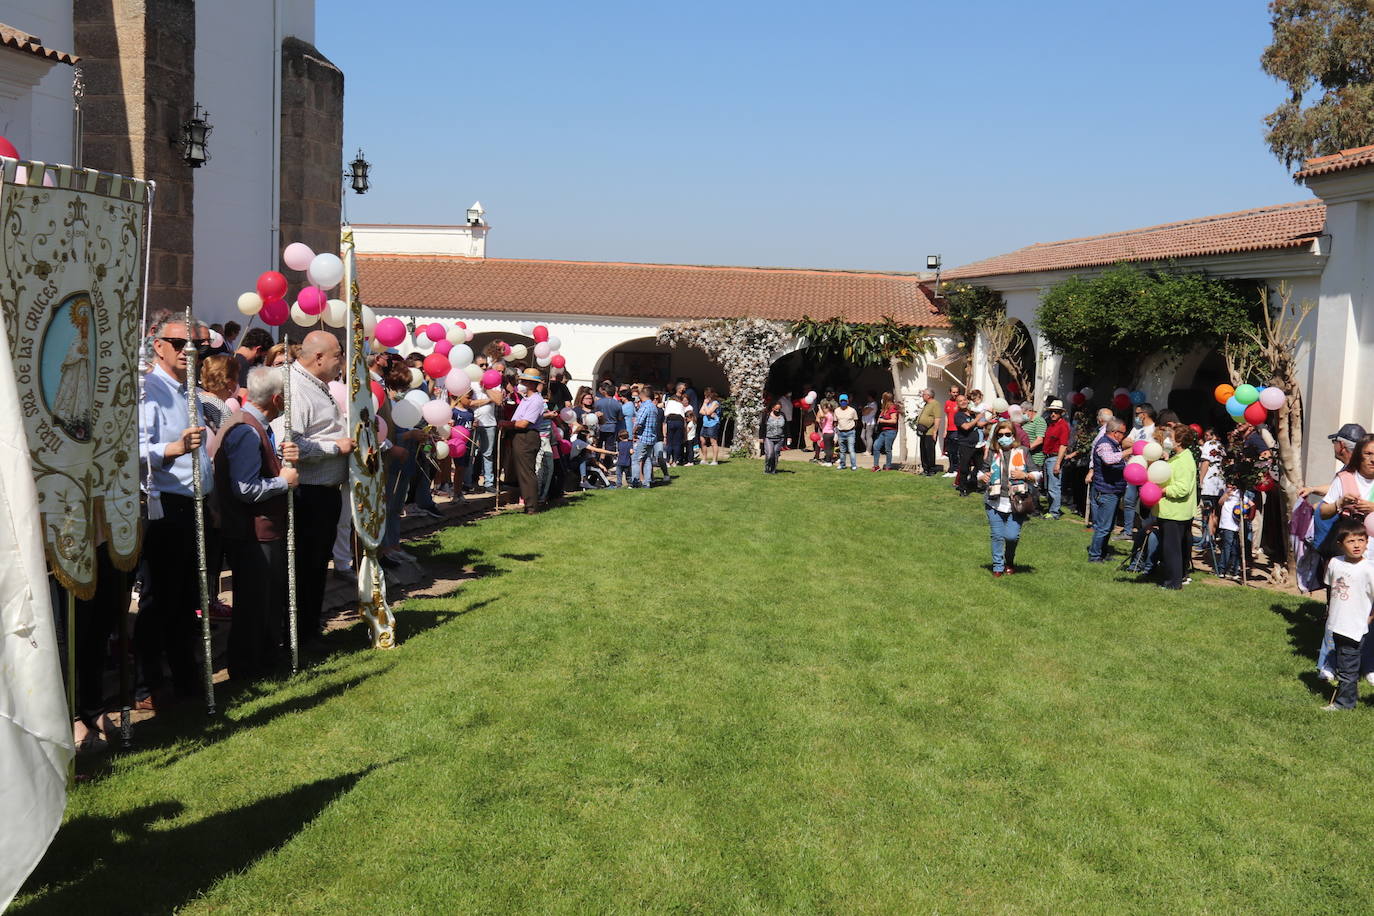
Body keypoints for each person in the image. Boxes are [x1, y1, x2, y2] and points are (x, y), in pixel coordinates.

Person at [136, 316, 214, 708]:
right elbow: (134, 451)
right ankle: (149, 684)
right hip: (164, 506)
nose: (189, 352)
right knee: (161, 598)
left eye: (196, 346)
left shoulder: (190, 392)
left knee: (188, 598)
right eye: (179, 343)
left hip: (194, 502)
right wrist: (171, 449)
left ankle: (186, 675)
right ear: (158, 345)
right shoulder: (147, 391)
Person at [214, 366, 299, 680]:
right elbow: (245, 488)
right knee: (254, 604)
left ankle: (263, 661)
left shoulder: (251, 425)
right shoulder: (246, 430)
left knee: (264, 600)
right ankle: (249, 669)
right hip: (252, 530)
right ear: (276, 399)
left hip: (258, 528)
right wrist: (283, 482)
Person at [283, 331, 354, 644]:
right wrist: (335, 448)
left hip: (324, 491)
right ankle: (299, 634)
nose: (341, 360)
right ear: (319, 358)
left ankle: (309, 627)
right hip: (307, 493)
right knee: (305, 569)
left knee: (315, 569)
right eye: (338, 354)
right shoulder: (296, 387)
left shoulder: (317, 385)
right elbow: (291, 444)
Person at [1321, 518, 1374, 710]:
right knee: (1344, 663)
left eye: (1361, 540)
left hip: (1354, 626)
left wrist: (1370, 617)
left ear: (1367, 542)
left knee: (1348, 668)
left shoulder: (1369, 569)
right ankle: (1346, 698)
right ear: (1340, 544)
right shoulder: (1335, 563)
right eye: (1351, 541)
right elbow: (1331, 589)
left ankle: (1344, 703)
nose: (1357, 545)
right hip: (1337, 624)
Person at [978, 419, 1040, 576]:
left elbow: (1037, 474)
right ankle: (998, 566)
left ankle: (1009, 560)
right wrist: (982, 477)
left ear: (1014, 435)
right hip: (994, 501)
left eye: (1007, 434)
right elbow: (981, 471)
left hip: (1017, 501)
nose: (1003, 437)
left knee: (1011, 536)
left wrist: (1024, 475)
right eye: (1000, 435)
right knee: (997, 535)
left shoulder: (1023, 451)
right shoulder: (993, 452)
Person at [1157, 423, 1198, 590]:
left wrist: (1163, 491)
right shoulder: (1180, 457)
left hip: (1174, 512)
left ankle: (1172, 583)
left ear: (1179, 441)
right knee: (1176, 547)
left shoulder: (1184, 461)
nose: (1168, 439)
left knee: (1171, 549)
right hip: (1175, 511)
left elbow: (1182, 488)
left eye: (1171, 437)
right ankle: (1177, 578)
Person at [505, 368, 547, 512]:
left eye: (523, 381)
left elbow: (524, 423)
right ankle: (528, 503)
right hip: (520, 436)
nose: (520, 383)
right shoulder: (526, 399)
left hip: (527, 436)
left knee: (526, 472)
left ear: (530, 383)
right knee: (522, 471)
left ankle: (531, 506)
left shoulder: (536, 400)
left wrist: (506, 424)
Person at [1087, 418, 1128, 563]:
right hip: (1106, 491)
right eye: (1122, 433)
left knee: (1108, 526)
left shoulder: (1114, 445)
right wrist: (1128, 452)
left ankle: (1102, 553)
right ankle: (1095, 556)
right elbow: (1109, 460)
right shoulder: (1105, 444)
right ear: (1115, 433)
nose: (1124, 436)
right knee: (1103, 527)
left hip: (1112, 490)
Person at [1041, 399, 1071, 519]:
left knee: (1054, 487)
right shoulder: (1051, 424)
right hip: (1048, 458)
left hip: (1054, 458)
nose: (1053, 414)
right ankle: (1051, 509)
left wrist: (1058, 463)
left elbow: (1063, 445)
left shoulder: (1063, 426)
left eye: (1056, 412)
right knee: (1049, 487)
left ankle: (1054, 513)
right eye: (1052, 411)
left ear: (1061, 413)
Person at [632, 384, 662, 487]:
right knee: (647, 459)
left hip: (643, 437)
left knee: (636, 459)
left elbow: (639, 422)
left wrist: (634, 432)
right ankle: (647, 482)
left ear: (642, 395)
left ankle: (636, 481)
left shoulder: (645, 406)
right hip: (652, 437)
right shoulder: (654, 407)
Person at [952, 394, 981, 492]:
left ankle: (974, 484)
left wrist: (991, 419)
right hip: (965, 444)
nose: (963, 402)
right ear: (958, 404)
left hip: (977, 445)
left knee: (980, 466)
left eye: (964, 400)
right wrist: (977, 419)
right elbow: (966, 427)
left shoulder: (973, 413)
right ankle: (962, 488)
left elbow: (980, 424)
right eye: (960, 401)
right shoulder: (958, 415)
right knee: (964, 468)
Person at [913, 389, 940, 475]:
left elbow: (937, 418)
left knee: (929, 451)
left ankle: (931, 469)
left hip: (930, 432)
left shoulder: (935, 404)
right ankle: (925, 469)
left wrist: (935, 431)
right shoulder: (926, 404)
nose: (922, 396)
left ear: (928, 396)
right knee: (923, 451)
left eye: (923, 394)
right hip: (923, 432)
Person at [871, 392, 899, 471]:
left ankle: (888, 466)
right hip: (883, 431)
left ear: (886, 399)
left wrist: (883, 420)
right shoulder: (885, 409)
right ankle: (876, 466)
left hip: (891, 431)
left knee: (887, 449)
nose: (881, 400)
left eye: (883, 398)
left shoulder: (892, 408)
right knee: (876, 446)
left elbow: (894, 421)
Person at [942, 384, 963, 477]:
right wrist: (945, 430)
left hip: (957, 429)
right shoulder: (947, 403)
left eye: (957, 392)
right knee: (949, 451)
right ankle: (951, 469)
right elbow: (946, 417)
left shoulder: (961, 402)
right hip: (949, 429)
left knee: (956, 451)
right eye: (953, 392)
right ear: (949, 392)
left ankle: (956, 469)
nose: (955, 394)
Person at [834, 394, 859, 470]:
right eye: (842, 401)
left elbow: (856, 421)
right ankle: (842, 465)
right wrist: (837, 430)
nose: (843, 402)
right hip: (840, 432)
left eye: (844, 401)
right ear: (839, 402)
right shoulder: (836, 410)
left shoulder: (852, 410)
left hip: (850, 432)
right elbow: (835, 421)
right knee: (842, 451)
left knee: (851, 449)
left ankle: (853, 465)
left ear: (847, 401)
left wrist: (851, 428)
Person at [699, 388, 722, 464]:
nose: (706, 397)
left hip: (713, 424)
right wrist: (707, 411)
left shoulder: (715, 403)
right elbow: (701, 411)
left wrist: (705, 405)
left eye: (707, 395)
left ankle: (714, 460)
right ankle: (704, 459)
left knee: (713, 442)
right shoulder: (706, 403)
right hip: (705, 423)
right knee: (702, 441)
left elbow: (708, 412)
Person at [763, 400, 786, 473]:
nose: (778, 410)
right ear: (772, 408)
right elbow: (762, 426)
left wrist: (788, 436)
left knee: (776, 454)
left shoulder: (782, 415)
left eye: (779, 409)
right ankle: (767, 468)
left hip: (780, 438)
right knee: (770, 454)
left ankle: (773, 470)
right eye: (776, 409)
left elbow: (786, 426)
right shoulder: (767, 415)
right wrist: (761, 437)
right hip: (768, 438)